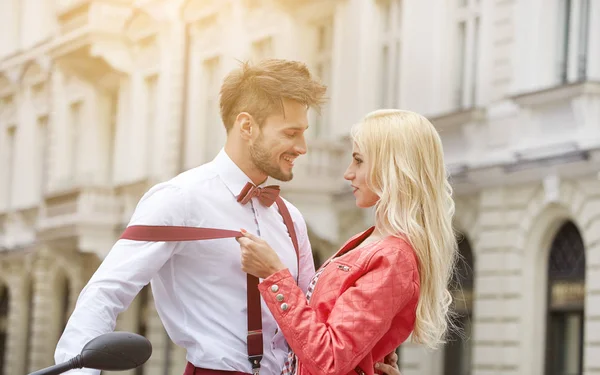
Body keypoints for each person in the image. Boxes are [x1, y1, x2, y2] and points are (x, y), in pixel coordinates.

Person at [53, 59, 328, 375]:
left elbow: (311, 316)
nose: (302, 147)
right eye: (291, 133)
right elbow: (105, 293)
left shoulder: (291, 218)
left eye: (303, 133)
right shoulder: (179, 198)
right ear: (247, 127)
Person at [236, 109, 458, 375]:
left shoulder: (393, 257)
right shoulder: (369, 241)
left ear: (391, 168)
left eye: (358, 161)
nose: (348, 173)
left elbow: (329, 359)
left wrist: (274, 275)